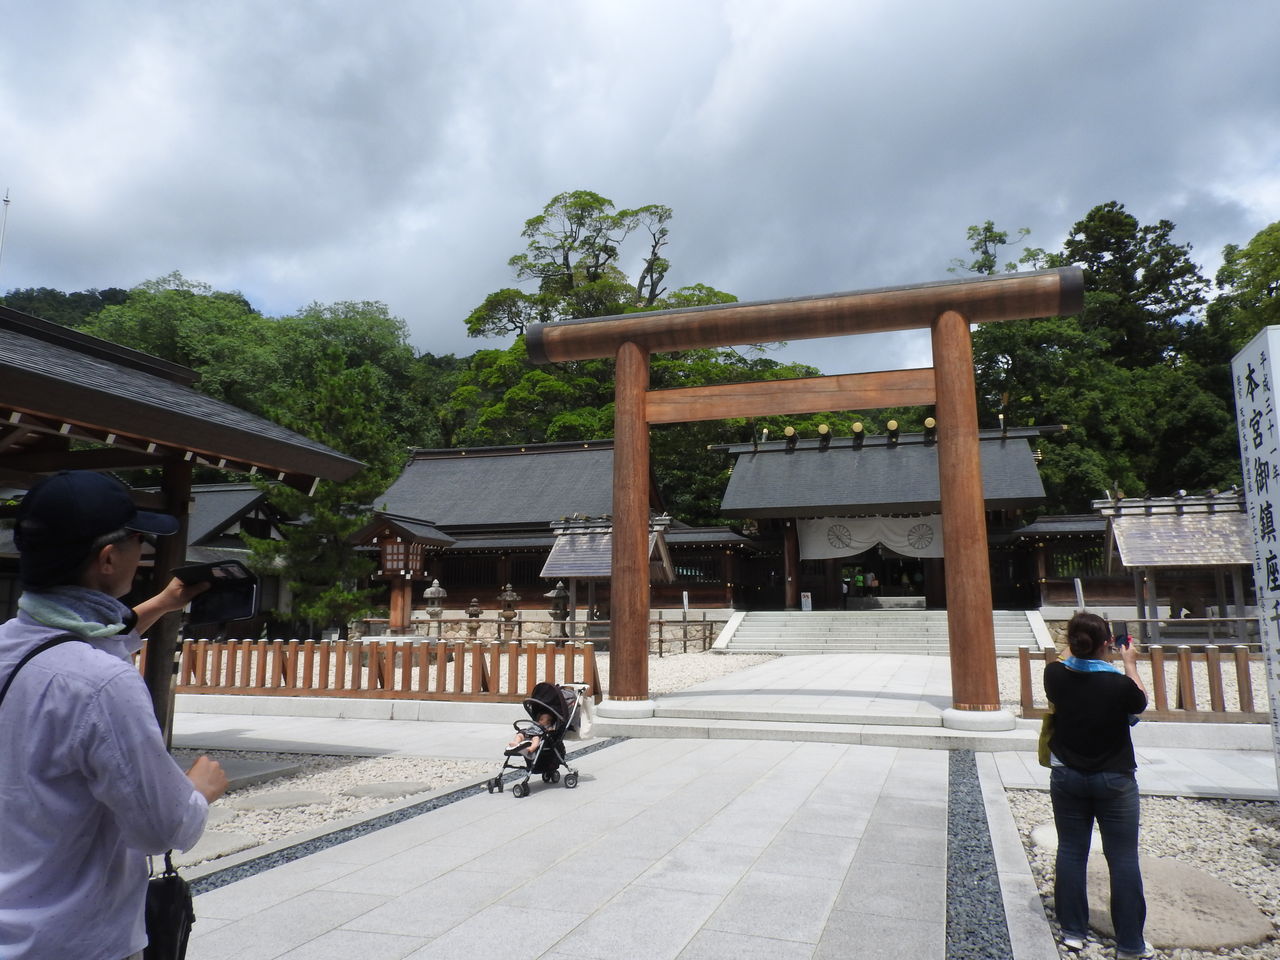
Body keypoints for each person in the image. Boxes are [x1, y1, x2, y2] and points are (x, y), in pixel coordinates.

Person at [0, 471, 229, 960]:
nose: (143, 548)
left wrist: (165, 603)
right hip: (70, 942)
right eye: (137, 538)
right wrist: (198, 790)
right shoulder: (104, 684)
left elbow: (65, 643)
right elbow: (162, 828)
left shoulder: (9, 647)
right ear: (108, 559)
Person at [1044, 612, 1151, 959]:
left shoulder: (1055, 675)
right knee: (1122, 858)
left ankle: (1074, 933)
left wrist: (1081, 648)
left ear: (1070, 642)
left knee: (1071, 851)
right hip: (1114, 776)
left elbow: (1064, 662)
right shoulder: (1119, 685)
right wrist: (1129, 663)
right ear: (1107, 643)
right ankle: (1131, 944)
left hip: (1067, 775)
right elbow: (1140, 702)